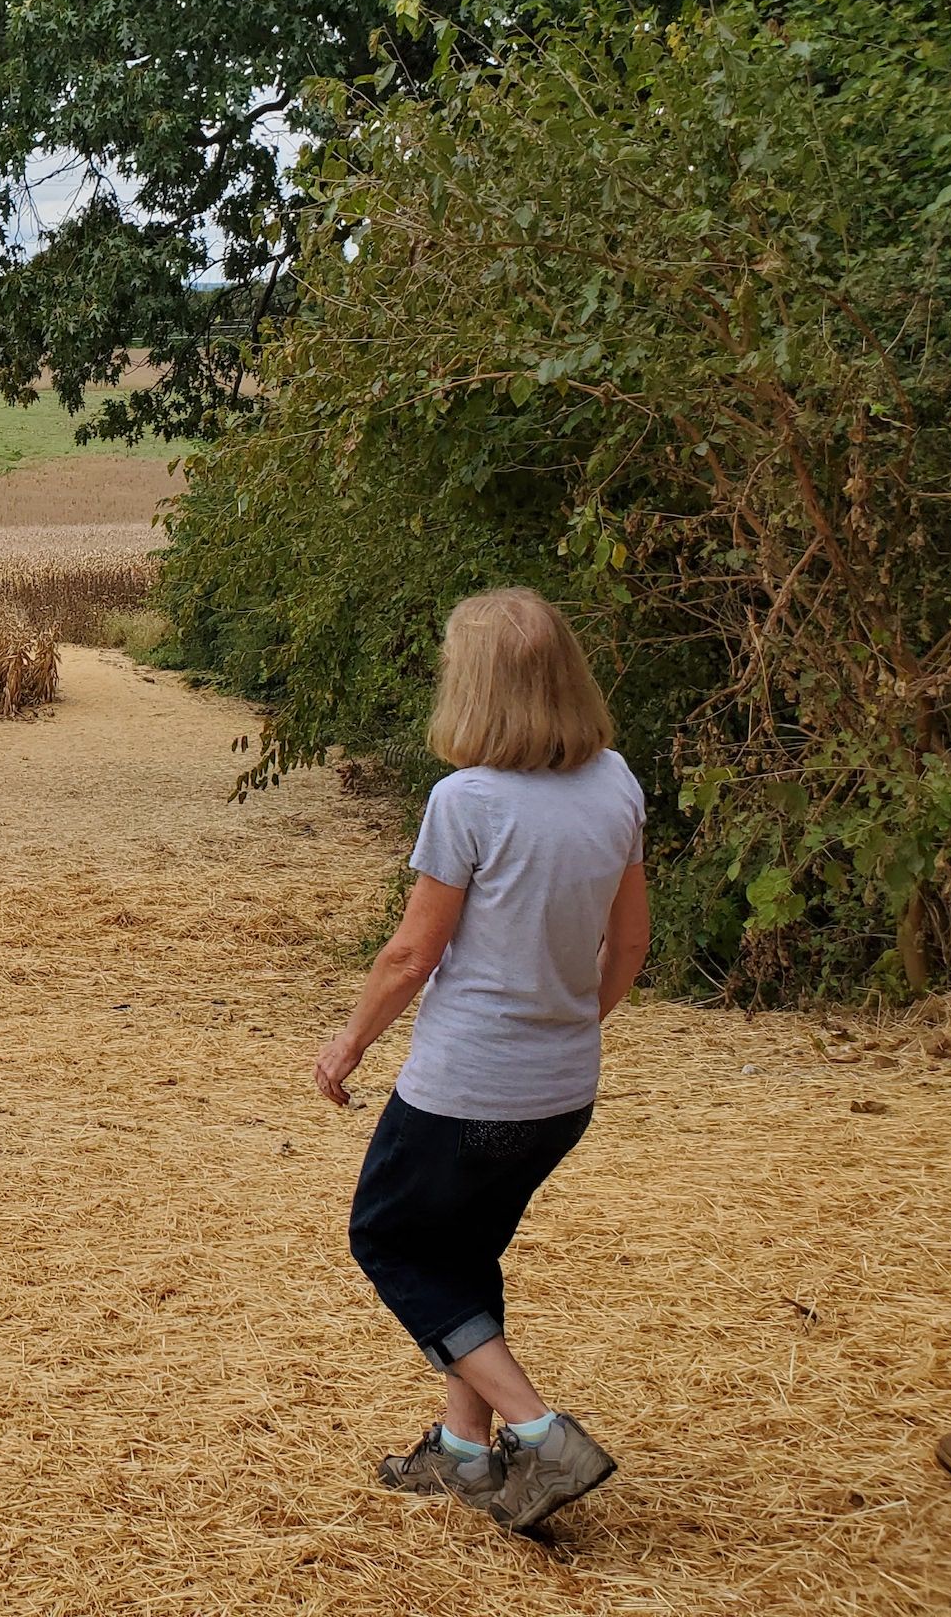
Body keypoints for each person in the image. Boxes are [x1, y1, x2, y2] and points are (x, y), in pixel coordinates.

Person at [312, 589, 650, 1534]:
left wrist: (348, 1043)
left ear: (476, 688)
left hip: (466, 1090)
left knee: (387, 1238)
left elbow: (412, 955)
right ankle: (464, 1456)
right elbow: (627, 947)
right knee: (463, 1253)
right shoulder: (617, 783)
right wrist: (571, 1022)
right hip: (561, 1090)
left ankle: (540, 1434)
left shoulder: (467, 801)